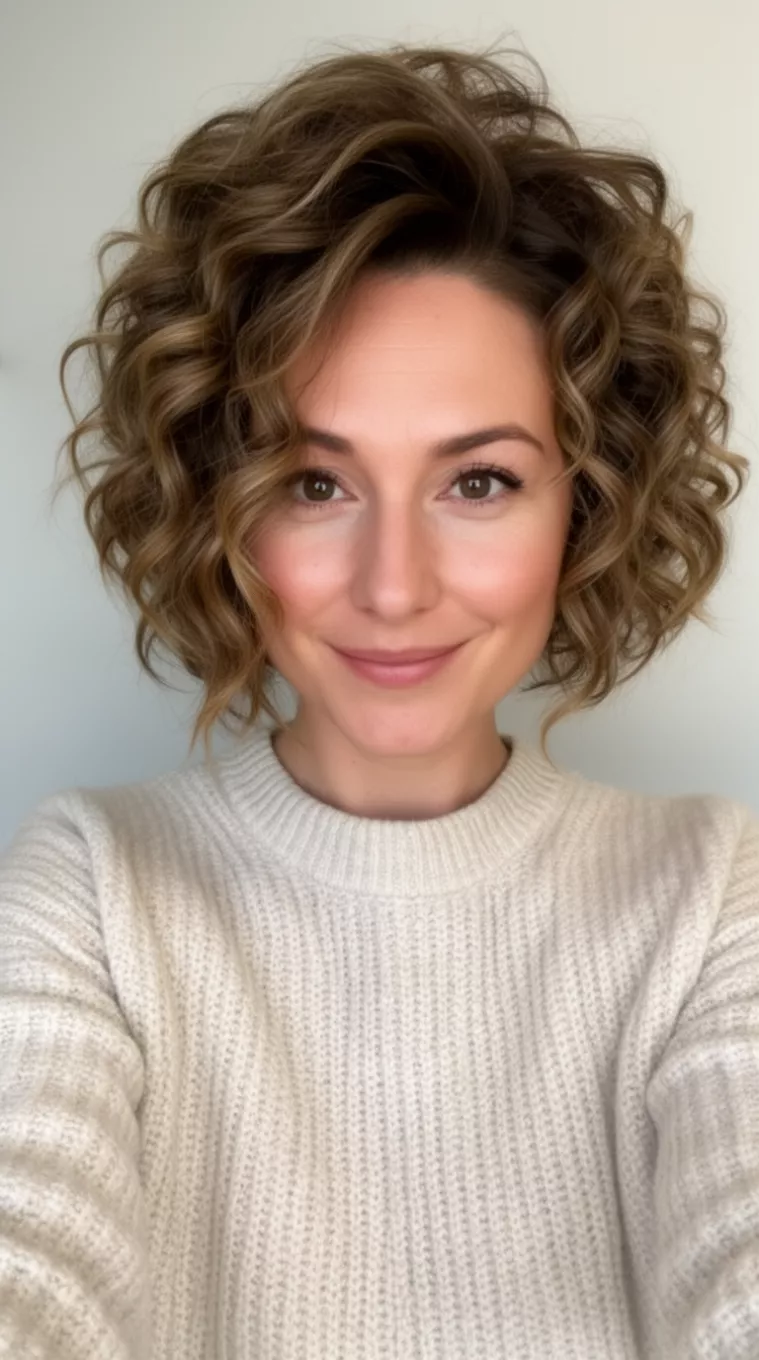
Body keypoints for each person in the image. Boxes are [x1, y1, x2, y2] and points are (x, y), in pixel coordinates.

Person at [1, 37, 757, 1360]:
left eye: (478, 481)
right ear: (213, 506)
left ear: (585, 504)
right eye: (313, 481)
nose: (393, 585)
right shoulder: (93, 888)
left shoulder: (709, 896)